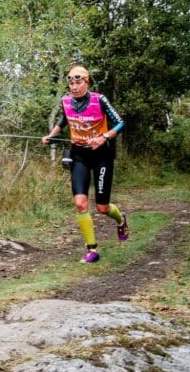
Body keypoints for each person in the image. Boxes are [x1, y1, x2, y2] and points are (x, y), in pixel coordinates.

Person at [42, 66, 129, 263]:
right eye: (71, 83)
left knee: (102, 208)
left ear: (87, 82)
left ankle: (120, 219)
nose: (74, 86)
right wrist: (51, 135)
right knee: (80, 203)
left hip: (101, 155)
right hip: (79, 155)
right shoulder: (66, 102)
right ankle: (92, 250)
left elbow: (120, 123)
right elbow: (65, 120)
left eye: (78, 82)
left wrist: (104, 137)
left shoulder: (99, 100)